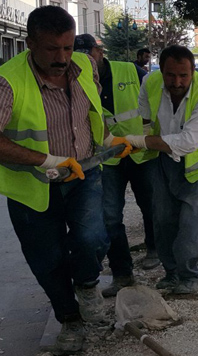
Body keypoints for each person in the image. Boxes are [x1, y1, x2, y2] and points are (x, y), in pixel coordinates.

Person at [0, 5, 135, 353]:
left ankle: (87, 285)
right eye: (51, 49)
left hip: (84, 173)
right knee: (47, 258)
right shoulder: (5, 82)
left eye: (67, 47)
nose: (61, 58)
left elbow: (91, 109)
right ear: (30, 43)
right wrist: (46, 159)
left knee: (93, 237)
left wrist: (106, 138)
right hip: (32, 186)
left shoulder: (85, 65)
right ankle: (70, 321)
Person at [122, 45, 198, 295]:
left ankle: (189, 276)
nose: (177, 82)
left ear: (194, 71)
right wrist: (145, 139)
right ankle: (171, 273)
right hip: (166, 159)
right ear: (162, 70)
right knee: (163, 219)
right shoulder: (151, 82)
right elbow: (146, 119)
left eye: (184, 75)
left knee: (190, 224)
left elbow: (188, 142)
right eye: (171, 75)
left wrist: (138, 141)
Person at [72, 34, 161, 298]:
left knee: (150, 205)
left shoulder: (129, 69)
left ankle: (154, 248)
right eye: (79, 58)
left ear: (100, 53)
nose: (86, 63)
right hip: (108, 157)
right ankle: (123, 273)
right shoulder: (76, 80)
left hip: (141, 152)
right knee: (110, 216)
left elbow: (156, 97)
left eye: (90, 55)